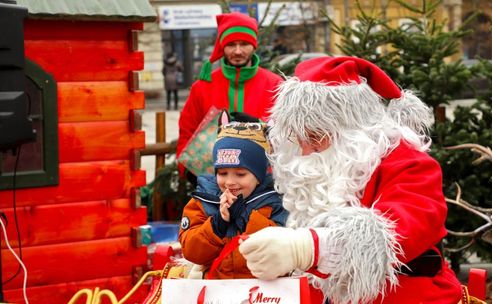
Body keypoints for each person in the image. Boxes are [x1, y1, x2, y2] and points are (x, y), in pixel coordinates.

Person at [238, 56, 466, 303]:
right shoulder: (298, 169)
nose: (305, 150)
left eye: (316, 136)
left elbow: (401, 230)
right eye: (297, 137)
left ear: (352, 129)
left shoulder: (409, 164)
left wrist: (308, 248)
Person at [176, 12, 283, 183]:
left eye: (244, 44)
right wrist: (189, 172)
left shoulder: (275, 85)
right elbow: (186, 131)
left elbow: (288, 133)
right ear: (222, 46)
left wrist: (261, 126)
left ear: (254, 46)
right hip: (213, 180)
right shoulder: (203, 87)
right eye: (231, 44)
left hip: (264, 181)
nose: (238, 51)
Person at [178, 114, 288, 279]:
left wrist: (247, 217)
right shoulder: (203, 201)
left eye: (240, 174)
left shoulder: (276, 201)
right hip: (216, 291)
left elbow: (283, 248)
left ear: (258, 174)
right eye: (222, 173)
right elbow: (191, 251)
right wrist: (217, 226)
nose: (230, 182)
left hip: (263, 293)